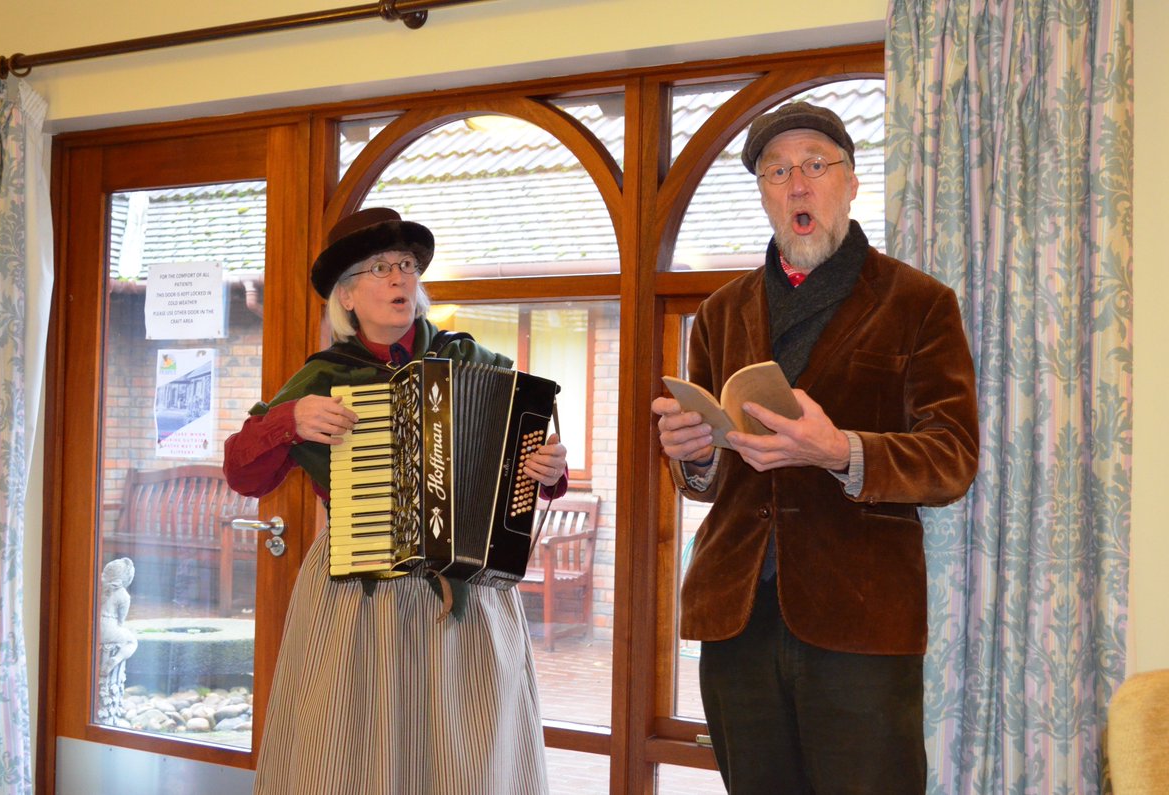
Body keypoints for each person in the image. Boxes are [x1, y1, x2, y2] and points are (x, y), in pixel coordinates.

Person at [651, 102, 979, 793]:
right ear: (765, 194)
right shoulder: (720, 312)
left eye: (814, 165)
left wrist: (842, 451)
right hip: (736, 615)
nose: (797, 184)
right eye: (777, 171)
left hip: (860, 614)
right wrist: (694, 453)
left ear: (852, 181)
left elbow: (953, 457)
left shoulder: (919, 302)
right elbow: (704, 477)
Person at [225, 207, 568, 795]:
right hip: (363, 592)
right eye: (380, 268)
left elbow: (531, 468)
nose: (399, 280)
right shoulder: (323, 378)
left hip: (469, 589)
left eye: (407, 266)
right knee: (354, 748)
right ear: (348, 295)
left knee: (468, 748)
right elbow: (242, 473)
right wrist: (289, 420)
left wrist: (550, 470)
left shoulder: (473, 363)